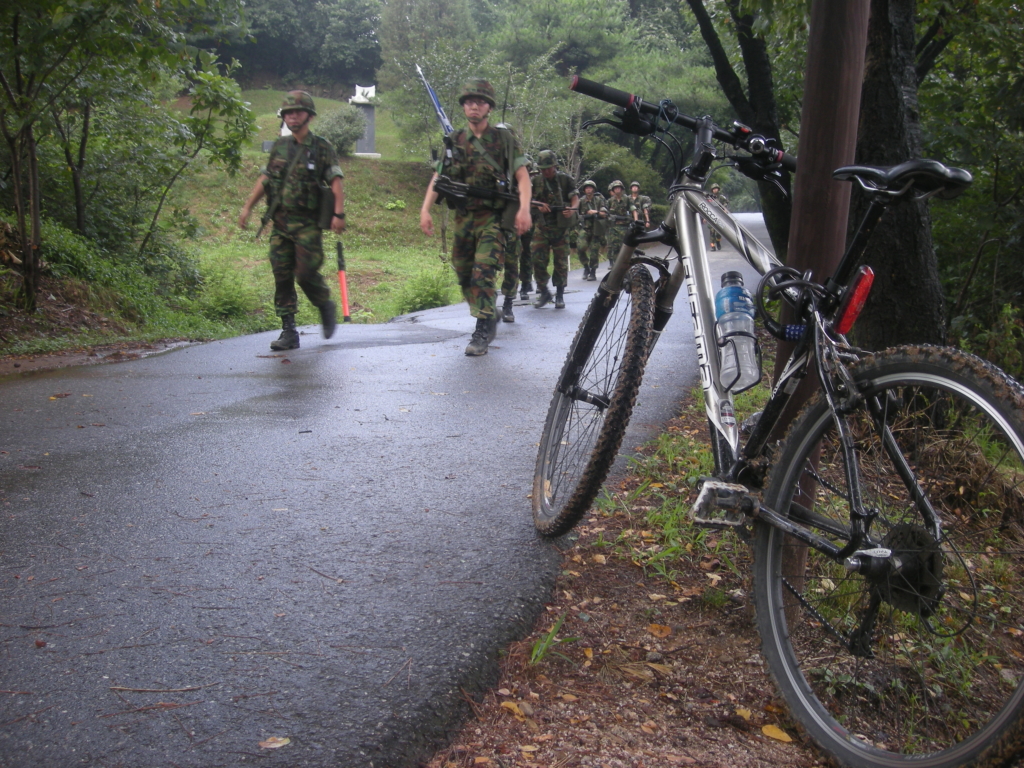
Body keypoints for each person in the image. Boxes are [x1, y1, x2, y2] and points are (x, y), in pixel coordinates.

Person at [419, 78, 532, 355]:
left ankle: (481, 330)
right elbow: (439, 176)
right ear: (464, 107)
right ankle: (488, 312)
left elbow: (522, 176)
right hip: (464, 217)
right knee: (463, 272)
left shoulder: (503, 139)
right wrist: (425, 209)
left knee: (483, 271)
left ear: (488, 108)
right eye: (469, 102)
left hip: (493, 217)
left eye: (480, 102)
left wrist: (524, 208)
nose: (474, 107)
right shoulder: (454, 140)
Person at [238, 91, 345, 351]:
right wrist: (248, 207)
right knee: (281, 274)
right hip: (281, 224)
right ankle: (289, 331)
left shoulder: (321, 147)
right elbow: (265, 179)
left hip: (307, 224)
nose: (292, 116)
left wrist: (338, 213)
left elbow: (335, 180)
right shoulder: (280, 146)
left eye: (297, 112)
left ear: (308, 115)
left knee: (305, 273)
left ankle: (324, 303)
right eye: (287, 113)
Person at [530, 150, 579, 309]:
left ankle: (559, 294)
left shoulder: (565, 180)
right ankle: (544, 290)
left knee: (561, 261)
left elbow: (575, 199)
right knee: (537, 258)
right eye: (543, 169)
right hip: (542, 226)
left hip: (560, 226)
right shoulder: (535, 181)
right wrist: (539, 205)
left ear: (555, 166)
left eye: (548, 168)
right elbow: (527, 200)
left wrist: (572, 209)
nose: (546, 171)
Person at [577, 180, 607, 281]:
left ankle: (593, 271)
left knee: (594, 251)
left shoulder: (598, 200)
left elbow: (604, 213)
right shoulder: (581, 201)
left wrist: (596, 212)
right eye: (586, 188)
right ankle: (586, 267)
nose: (588, 189)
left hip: (596, 229)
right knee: (580, 248)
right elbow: (576, 214)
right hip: (585, 228)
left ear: (593, 189)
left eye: (590, 187)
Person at [604, 180, 631, 267]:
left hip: (624, 226)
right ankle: (615, 265)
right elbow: (605, 213)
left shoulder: (627, 199)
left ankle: (625, 263)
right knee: (613, 246)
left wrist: (633, 220)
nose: (617, 190)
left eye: (619, 188)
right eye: (615, 188)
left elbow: (633, 210)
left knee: (624, 246)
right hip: (613, 227)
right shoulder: (610, 201)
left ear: (622, 189)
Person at [706, 183, 729, 251]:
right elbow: (707, 206)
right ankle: (713, 246)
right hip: (712, 215)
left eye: (716, 189)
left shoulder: (721, 197)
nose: (715, 190)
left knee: (719, 231)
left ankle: (718, 241)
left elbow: (726, 202)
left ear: (718, 189)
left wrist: (724, 208)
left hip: (719, 215)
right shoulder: (709, 198)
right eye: (713, 189)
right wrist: (705, 217)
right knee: (712, 232)